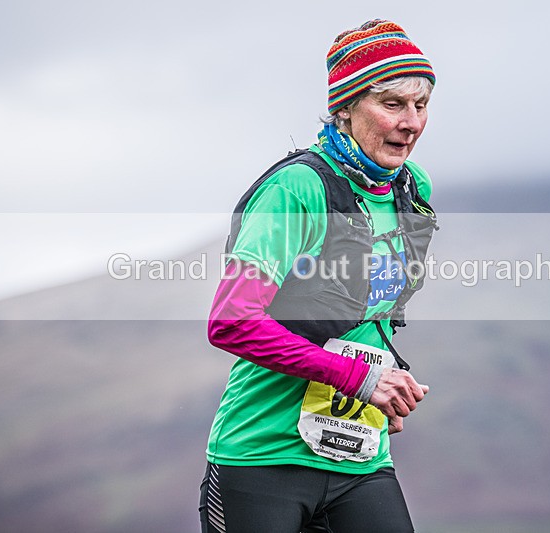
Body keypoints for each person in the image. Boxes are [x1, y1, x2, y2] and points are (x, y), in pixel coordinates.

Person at [200, 19, 438, 533]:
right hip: (262, 457)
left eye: (421, 106)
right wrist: (359, 378)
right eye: (392, 104)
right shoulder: (296, 190)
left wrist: (385, 377)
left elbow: (363, 313)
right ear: (345, 108)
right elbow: (231, 322)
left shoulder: (409, 189)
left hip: (360, 457)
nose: (412, 123)